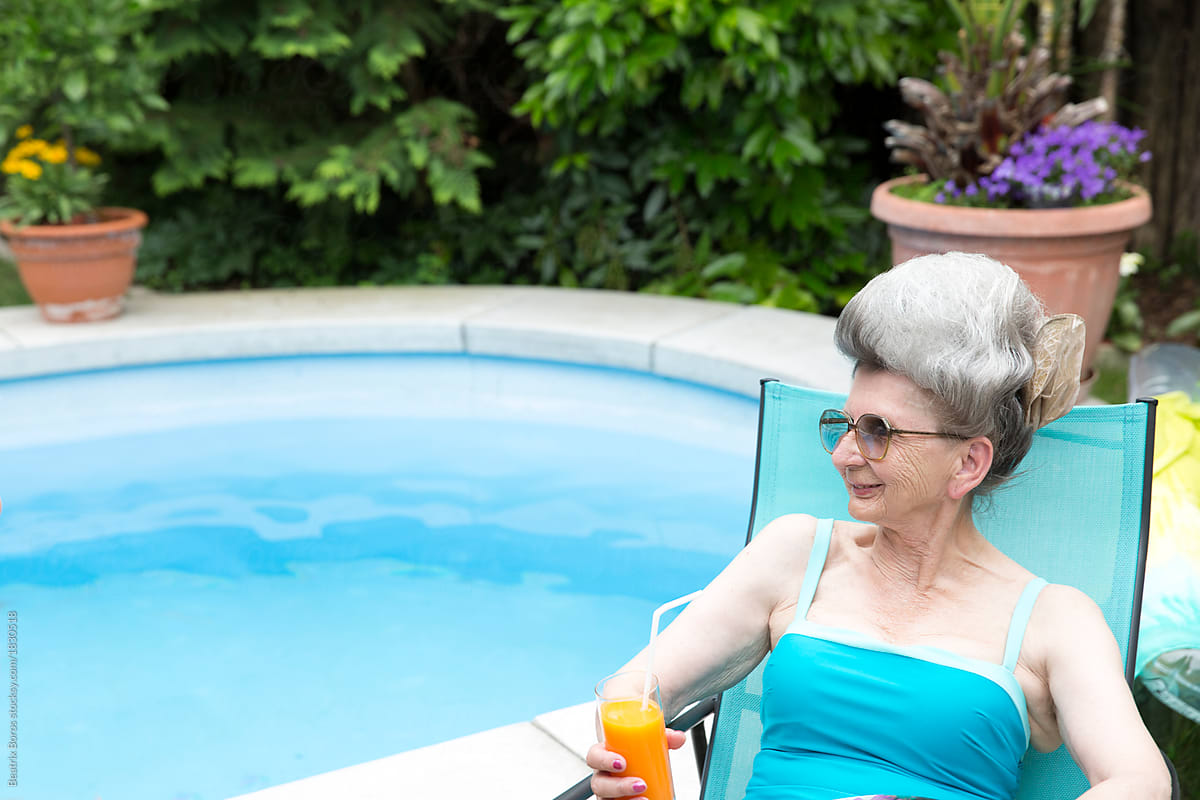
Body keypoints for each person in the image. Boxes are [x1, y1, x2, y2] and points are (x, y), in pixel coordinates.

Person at [587, 253, 1171, 800]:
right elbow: (635, 687)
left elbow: (1139, 780)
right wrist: (620, 749)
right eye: (843, 424)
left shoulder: (1053, 619)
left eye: (877, 431)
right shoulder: (797, 552)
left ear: (968, 462)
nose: (843, 454)